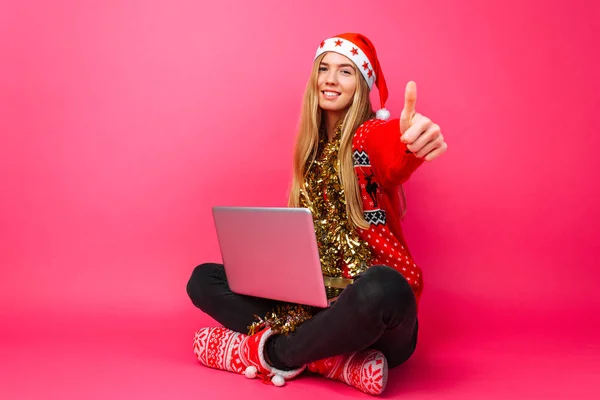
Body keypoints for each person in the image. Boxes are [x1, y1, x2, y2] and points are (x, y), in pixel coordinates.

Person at [186, 32, 447, 395]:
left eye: (345, 71)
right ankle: (332, 361)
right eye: (324, 68)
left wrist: (410, 142)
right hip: (317, 308)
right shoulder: (308, 155)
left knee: (383, 286)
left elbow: (391, 152)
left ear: (362, 84)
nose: (330, 78)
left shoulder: (367, 135)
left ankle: (275, 353)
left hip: (379, 319)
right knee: (203, 280)